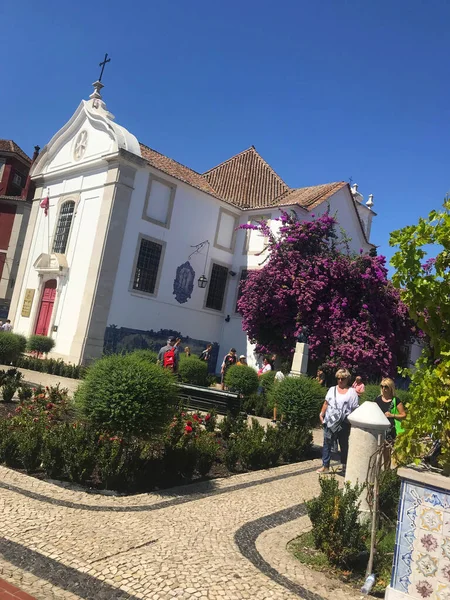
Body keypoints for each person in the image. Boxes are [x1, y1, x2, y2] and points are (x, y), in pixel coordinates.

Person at [317, 368, 359, 474]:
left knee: (343, 444)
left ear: (347, 379)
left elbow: (354, 409)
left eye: (343, 378)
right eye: (338, 378)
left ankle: (345, 465)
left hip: (344, 422)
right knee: (327, 442)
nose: (340, 380)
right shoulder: (332, 389)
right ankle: (325, 465)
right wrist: (322, 414)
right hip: (330, 420)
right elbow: (326, 403)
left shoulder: (352, 392)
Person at [375, 378, 406, 468]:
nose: (384, 389)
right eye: (382, 386)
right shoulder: (377, 400)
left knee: (390, 455)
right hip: (380, 430)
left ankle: (389, 474)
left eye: (386, 387)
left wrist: (392, 415)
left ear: (391, 388)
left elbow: (403, 415)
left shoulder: (396, 400)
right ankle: (382, 474)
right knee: (380, 454)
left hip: (391, 431)